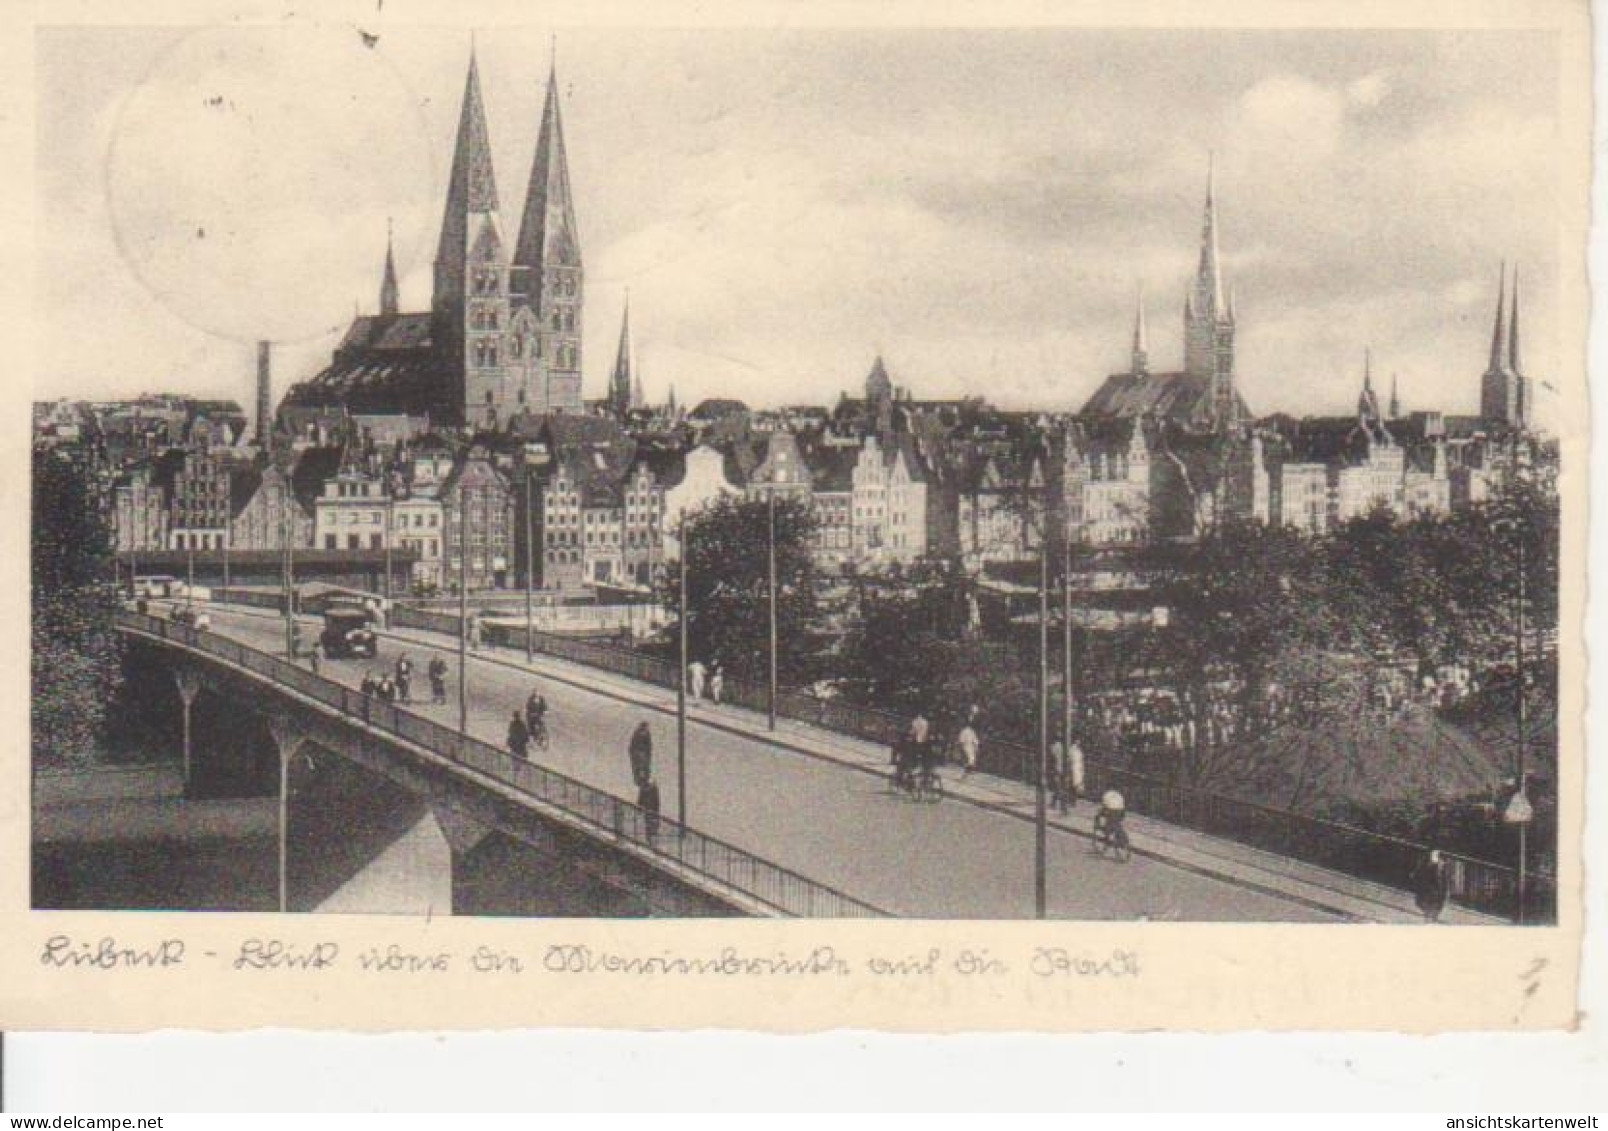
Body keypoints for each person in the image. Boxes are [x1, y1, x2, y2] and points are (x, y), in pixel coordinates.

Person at [1414, 849, 1450, 924]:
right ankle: (1429, 920)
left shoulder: (1442, 869)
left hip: (1436, 895)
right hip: (1430, 894)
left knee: (1431, 914)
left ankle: (1430, 920)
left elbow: (1444, 883)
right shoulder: (1427, 867)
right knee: (1429, 913)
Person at [628, 721, 653, 788]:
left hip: (644, 754)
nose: (645, 731)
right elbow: (633, 747)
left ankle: (646, 780)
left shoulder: (647, 734)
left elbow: (649, 745)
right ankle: (639, 780)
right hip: (637, 753)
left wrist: (648, 754)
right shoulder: (637, 734)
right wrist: (636, 755)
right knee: (638, 767)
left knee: (646, 767)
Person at [639, 776, 662, 841]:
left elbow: (640, 799)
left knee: (649, 820)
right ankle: (651, 834)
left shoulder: (643, 788)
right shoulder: (654, 789)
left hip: (649, 807)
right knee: (651, 820)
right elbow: (657, 800)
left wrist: (639, 806)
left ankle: (650, 834)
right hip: (651, 808)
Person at [1067, 738, 1086, 810]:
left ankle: (1073, 801)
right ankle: (1071, 801)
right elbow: (1069, 760)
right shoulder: (1072, 750)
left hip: (1078, 770)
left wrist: (1082, 770)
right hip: (1073, 769)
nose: (1078, 742)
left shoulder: (1079, 751)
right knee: (1072, 786)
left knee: (1076, 786)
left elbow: (1081, 761)